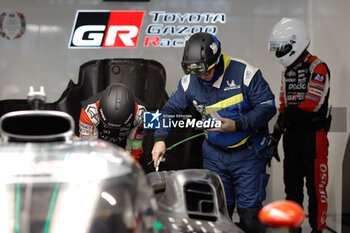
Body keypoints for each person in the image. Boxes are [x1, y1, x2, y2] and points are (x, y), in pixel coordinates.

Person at [151, 32, 276, 233]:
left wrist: (237, 125)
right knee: (216, 215)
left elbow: (268, 106)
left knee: (250, 217)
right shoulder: (189, 83)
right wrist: (160, 139)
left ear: (217, 62)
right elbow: (169, 111)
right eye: (196, 73)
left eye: (206, 72)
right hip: (214, 156)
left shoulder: (246, 74)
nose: (201, 77)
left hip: (248, 155)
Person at [268, 18, 331, 233]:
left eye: (282, 47)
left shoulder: (318, 67)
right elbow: (284, 106)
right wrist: (274, 139)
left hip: (314, 137)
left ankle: (318, 229)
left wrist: (283, 122)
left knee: (316, 189)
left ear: (296, 42)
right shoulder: (287, 72)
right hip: (292, 139)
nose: (280, 52)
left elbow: (311, 104)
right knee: (292, 190)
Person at [79, 83, 146, 161]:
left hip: (123, 147)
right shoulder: (89, 112)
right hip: (98, 146)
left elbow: (134, 149)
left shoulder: (141, 114)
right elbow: (88, 148)